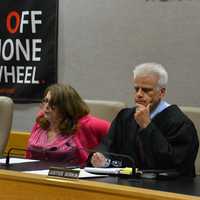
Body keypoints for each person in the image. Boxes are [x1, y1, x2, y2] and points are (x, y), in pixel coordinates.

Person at [91, 63, 199, 177]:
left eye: (146, 90)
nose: (139, 94)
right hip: (126, 184)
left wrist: (147, 126)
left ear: (162, 92)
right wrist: (102, 157)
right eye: (137, 89)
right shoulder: (125, 116)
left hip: (165, 189)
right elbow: (107, 144)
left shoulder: (181, 124)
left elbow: (174, 164)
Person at [26, 83, 110, 165]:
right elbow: (28, 157)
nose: (47, 106)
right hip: (35, 175)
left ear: (67, 107)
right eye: (46, 101)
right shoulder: (41, 121)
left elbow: (114, 132)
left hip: (70, 176)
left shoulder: (85, 124)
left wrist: (104, 160)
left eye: (53, 103)